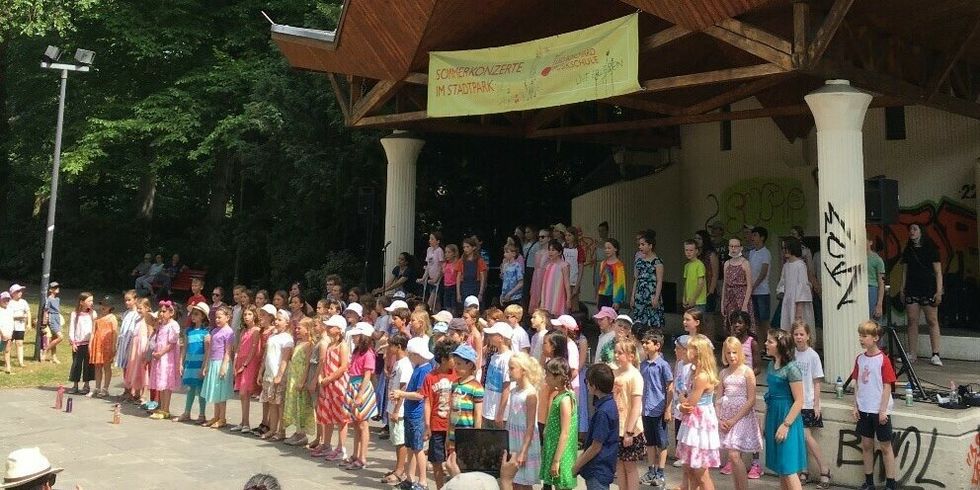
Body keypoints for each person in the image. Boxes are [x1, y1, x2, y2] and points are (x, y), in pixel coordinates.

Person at [851, 320, 898, 490]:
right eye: (860, 336)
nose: (861, 339)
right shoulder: (860, 359)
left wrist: (883, 410)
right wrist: (855, 405)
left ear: (875, 338)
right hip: (864, 408)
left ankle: (891, 483)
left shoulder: (883, 360)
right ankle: (869, 481)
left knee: (885, 446)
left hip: (879, 410)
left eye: (865, 336)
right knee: (866, 445)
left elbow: (887, 385)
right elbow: (856, 383)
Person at [716, 337, 763, 490]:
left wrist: (735, 419)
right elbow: (718, 398)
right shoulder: (723, 373)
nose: (732, 356)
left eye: (735, 352)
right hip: (726, 415)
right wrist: (719, 418)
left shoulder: (747, 371)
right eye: (728, 353)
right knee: (731, 455)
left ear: (740, 352)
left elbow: (751, 400)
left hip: (742, 416)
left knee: (735, 454)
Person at [763, 329, 806, 490]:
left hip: (787, 417)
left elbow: (799, 400)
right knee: (781, 468)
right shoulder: (770, 365)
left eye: (770, 341)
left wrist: (786, 424)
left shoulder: (792, 368)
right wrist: (765, 421)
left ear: (780, 345)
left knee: (788, 468)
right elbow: (770, 396)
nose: (766, 344)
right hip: (773, 415)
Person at [676, 334, 721, 490]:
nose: (686, 351)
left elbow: (690, 404)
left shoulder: (701, 376)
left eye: (690, 349)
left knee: (701, 473)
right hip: (692, 423)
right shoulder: (693, 371)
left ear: (698, 352)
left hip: (700, 425)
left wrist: (680, 401)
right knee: (690, 469)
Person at [392, 337, 436, 490]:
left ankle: (423, 481)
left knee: (418, 449)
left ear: (417, 354)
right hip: (411, 413)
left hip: (417, 414)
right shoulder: (419, 367)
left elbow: (420, 395)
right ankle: (410, 478)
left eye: (410, 354)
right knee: (411, 447)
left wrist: (401, 394)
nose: (409, 357)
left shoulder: (424, 369)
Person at [792, 321, 830, 488]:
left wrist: (816, 404)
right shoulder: (791, 354)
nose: (799, 337)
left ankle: (824, 469)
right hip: (794, 402)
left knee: (806, 436)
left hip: (807, 402)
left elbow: (816, 382)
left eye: (802, 334)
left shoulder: (813, 355)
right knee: (799, 439)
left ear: (808, 336)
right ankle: (804, 470)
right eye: (796, 334)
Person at [900, 223, 944, 365]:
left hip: (928, 287)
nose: (911, 232)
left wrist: (939, 291)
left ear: (921, 232)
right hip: (912, 287)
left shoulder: (931, 248)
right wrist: (902, 288)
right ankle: (912, 354)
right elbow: (905, 271)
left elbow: (938, 272)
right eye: (910, 229)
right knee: (912, 320)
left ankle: (935, 354)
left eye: (914, 229)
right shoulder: (908, 249)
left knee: (932, 320)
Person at [420, 338, 460, 489]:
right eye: (452, 357)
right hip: (437, 426)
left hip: (455, 427)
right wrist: (427, 425)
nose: (455, 361)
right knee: (437, 461)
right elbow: (427, 402)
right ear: (443, 359)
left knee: (454, 461)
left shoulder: (458, 375)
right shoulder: (430, 377)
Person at [574, 363, 619, 490]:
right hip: (603, 467)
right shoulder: (609, 405)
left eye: (587, 382)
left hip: (598, 470)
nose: (587, 386)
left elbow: (595, 446)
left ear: (594, 386)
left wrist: (577, 465)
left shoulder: (603, 412)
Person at [638, 331, 673, 489]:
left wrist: (668, 408)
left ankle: (661, 472)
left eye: (648, 343)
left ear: (657, 346)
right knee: (650, 442)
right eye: (643, 342)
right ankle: (651, 470)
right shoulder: (643, 364)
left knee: (662, 443)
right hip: (646, 409)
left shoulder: (663, 365)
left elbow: (669, 387)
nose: (644, 345)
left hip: (658, 409)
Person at [343, 322, 377, 470]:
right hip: (353, 386)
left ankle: (362, 457)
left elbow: (367, 375)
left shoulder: (368, 353)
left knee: (363, 424)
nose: (354, 338)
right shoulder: (357, 351)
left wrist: (360, 395)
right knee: (356, 423)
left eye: (356, 335)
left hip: (361, 388)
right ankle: (355, 454)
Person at [539, 357, 577, 490]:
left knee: (561, 486)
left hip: (561, 454)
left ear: (558, 377)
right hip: (553, 449)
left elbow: (565, 432)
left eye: (548, 374)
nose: (545, 377)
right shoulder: (558, 395)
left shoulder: (565, 400)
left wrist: (556, 461)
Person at [612, 339, 645, 490]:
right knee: (619, 464)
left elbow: (636, 406)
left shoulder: (635, 376)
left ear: (631, 356)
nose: (616, 355)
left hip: (630, 428)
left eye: (620, 353)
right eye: (616, 352)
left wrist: (629, 431)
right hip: (616, 426)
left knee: (629, 466)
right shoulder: (615, 373)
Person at [318, 315, 351, 462]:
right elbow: (324, 363)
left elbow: (344, 366)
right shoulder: (330, 345)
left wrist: (329, 378)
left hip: (338, 386)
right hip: (328, 385)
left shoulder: (343, 345)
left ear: (339, 330)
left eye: (331, 326)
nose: (328, 328)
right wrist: (321, 377)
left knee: (341, 418)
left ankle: (341, 447)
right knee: (328, 415)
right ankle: (326, 444)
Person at [257, 310, 294, 440]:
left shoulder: (287, 338)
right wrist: (261, 371)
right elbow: (266, 355)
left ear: (287, 322)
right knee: (272, 402)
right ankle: (272, 429)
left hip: (279, 375)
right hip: (269, 374)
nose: (277, 322)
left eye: (280, 320)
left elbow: (285, 359)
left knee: (280, 403)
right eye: (276, 319)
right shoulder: (272, 336)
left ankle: (281, 431)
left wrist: (279, 375)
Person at [282, 317, 315, 445]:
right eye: (296, 328)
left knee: (301, 405)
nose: (296, 330)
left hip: (300, 377)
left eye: (299, 328)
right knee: (295, 405)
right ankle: (298, 431)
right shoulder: (299, 343)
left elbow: (307, 364)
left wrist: (302, 380)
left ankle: (302, 434)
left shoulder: (309, 345)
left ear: (307, 330)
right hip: (293, 377)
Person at [202, 305, 236, 429]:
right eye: (216, 317)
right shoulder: (214, 331)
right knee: (216, 392)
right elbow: (210, 349)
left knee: (221, 392)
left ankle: (222, 418)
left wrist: (224, 366)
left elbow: (228, 351)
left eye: (219, 317)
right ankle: (216, 416)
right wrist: (206, 365)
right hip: (213, 362)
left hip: (222, 363)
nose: (217, 320)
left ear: (227, 317)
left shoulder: (229, 332)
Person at [385, 332, 412, 483]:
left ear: (399, 346)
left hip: (399, 409)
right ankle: (398, 467)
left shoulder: (405, 365)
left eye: (391, 346)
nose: (389, 348)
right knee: (396, 440)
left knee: (400, 441)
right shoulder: (397, 362)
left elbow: (403, 389)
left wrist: (396, 410)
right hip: (392, 406)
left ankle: (400, 471)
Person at [175, 302, 209, 423]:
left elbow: (207, 351)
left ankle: (202, 414)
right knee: (190, 388)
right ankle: (187, 412)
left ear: (203, 316)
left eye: (196, 314)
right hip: (190, 363)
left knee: (200, 389)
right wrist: (180, 362)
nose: (193, 316)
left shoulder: (206, 332)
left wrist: (204, 366)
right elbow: (184, 348)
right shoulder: (189, 331)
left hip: (199, 364)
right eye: (192, 314)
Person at [448, 344, 484, 453]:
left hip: (467, 435)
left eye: (459, 364)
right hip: (453, 434)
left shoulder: (476, 387)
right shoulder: (454, 384)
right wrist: (447, 436)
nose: (456, 367)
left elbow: (478, 414)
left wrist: (476, 436)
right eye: (455, 364)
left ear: (469, 365)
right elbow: (451, 411)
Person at [148, 300, 181, 420]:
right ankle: (162, 407)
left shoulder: (173, 325)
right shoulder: (162, 325)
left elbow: (172, 344)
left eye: (163, 311)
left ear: (171, 312)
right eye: (160, 311)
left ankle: (166, 409)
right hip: (159, 357)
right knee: (161, 382)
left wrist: (161, 353)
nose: (161, 314)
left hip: (167, 358)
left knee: (166, 383)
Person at [232, 306, 262, 433]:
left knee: (245, 392)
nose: (246, 317)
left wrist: (245, 364)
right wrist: (235, 363)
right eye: (245, 314)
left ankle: (247, 423)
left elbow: (254, 349)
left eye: (249, 314)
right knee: (241, 394)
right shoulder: (244, 331)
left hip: (249, 363)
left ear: (254, 315)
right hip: (240, 362)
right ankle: (243, 421)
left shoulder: (256, 330)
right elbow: (239, 348)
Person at [631, 230, 665, 335]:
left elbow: (659, 281)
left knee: (654, 323)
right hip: (640, 295)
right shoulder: (639, 261)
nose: (640, 247)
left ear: (650, 246)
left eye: (643, 244)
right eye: (639, 245)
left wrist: (656, 297)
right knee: (640, 323)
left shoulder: (657, 262)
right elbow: (636, 279)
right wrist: (633, 296)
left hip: (652, 295)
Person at [776, 238, 814, 331]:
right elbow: (783, 282)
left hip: (798, 304)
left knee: (799, 328)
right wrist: (780, 292)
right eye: (783, 248)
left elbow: (803, 286)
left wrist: (799, 309)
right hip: (788, 302)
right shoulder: (786, 265)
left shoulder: (800, 265)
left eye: (786, 248)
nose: (784, 251)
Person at [123, 298, 153, 405]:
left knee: (143, 370)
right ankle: (136, 392)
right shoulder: (137, 319)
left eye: (141, 308)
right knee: (135, 369)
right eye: (138, 308)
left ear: (147, 308)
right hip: (135, 347)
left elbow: (150, 335)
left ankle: (144, 394)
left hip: (143, 346)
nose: (139, 311)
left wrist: (148, 350)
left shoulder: (149, 319)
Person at [88, 296, 118, 398]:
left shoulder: (112, 318)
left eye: (106, 305)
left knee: (106, 366)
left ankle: (105, 388)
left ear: (110, 307)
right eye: (102, 305)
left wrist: (114, 346)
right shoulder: (97, 317)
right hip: (97, 344)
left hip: (107, 345)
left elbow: (114, 333)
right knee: (97, 366)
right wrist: (90, 343)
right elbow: (93, 332)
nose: (104, 307)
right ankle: (97, 387)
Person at [67, 292, 96, 395]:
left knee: (88, 364)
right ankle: (75, 385)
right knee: (76, 364)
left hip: (89, 343)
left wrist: (93, 342)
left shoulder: (93, 313)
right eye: (89, 301)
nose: (91, 303)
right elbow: (72, 328)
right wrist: (72, 342)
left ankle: (86, 385)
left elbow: (94, 328)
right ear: (82, 302)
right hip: (78, 343)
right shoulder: (75, 314)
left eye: (92, 300)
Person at [721, 237, 754, 324]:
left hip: (741, 296)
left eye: (736, 246)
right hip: (730, 297)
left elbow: (749, 285)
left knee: (742, 322)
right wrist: (722, 303)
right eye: (731, 246)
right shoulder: (726, 264)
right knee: (731, 322)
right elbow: (725, 284)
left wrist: (745, 304)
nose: (733, 249)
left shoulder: (745, 263)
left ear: (741, 248)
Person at [748, 226, 772, 340]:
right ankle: (761, 346)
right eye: (752, 235)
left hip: (762, 291)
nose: (752, 238)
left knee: (764, 320)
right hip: (752, 292)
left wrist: (754, 285)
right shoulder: (751, 253)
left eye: (755, 235)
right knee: (756, 321)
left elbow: (763, 272)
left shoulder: (765, 253)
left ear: (762, 237)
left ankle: (770, 344)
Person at [115, 290, 140, 398]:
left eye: (129, 300)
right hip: (123, 343)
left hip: (132, 343)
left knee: (131, 367)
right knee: (125, 367)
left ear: (135, 300)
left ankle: (132, 390)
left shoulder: (137, 314)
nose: (127, 302)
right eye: (125, 300)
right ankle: (126, 389)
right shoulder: (125, 313)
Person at [540, 239, 572, 316]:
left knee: (558, 316)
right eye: (549, 250)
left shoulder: (564, 265)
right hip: (548, 294)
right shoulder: (548, 265)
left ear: (560, 252)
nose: (550, 252)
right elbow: (545, 284)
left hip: (558, 294)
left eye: (553, 250)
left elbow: (567, 283)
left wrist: (568, 299)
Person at [694, 230, 720, 314]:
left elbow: (715, 274)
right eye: (696, 238)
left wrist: (711, 291)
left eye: (699, 238)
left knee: (708, 317)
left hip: (708, 289)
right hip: (696, 289)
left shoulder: (711, 254)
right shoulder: (695, 254)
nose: (697, 240)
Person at [596, 239, 626, 310]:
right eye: (605, 248)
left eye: (609, 248)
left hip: (613, 296)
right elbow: (600, 282)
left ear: (615, 249)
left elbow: (620, 284)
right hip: (602, 295)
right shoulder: (603, 263)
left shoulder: (619, 265)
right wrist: (597, 296)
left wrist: (617, 301)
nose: (606, 250)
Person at [6, 285, 30, 368]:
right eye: (18, 291)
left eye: (21, 291)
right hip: (11, 327)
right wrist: (18, 317)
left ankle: (21, 362)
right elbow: (8, 315)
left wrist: (28, 324)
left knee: (19, 343)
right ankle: (7, 362)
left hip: (20, 327)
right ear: (12, 293)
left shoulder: (23, 302)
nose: (20, 293)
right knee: (8, 345)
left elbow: (28, 312)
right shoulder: (9, 303)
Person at [420, 232, 446, 310]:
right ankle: (436, 317)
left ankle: (426, 314)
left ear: (438, 241)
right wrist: (423, 278)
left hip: (438, 279)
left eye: (432, 239)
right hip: (431, 278)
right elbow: (428, 265)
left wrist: (436, 279)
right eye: (430, 238)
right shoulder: (429, 249)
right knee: (436, 302)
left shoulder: (439, 251)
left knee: (430, 302)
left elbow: (441, 267)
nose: (430, 240)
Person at [681, 240, 707, 313]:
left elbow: (700, 283)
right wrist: (684, 297)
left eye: (691, 250)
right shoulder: (687, 266)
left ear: (696, 251)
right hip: (689, 301)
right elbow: (686, 283)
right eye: (686, 250)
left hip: (698, 302)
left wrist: (693, 298)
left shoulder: (699, 265)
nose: (688, 252)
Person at [41, 282, 63, 364]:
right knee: (60, 337)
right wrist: (44, 322)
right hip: (52, 318)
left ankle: (54, 357)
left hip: (57, 318)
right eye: (55, 287)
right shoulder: (49, 299)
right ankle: (45, 351)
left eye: (57, 287)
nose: (57, 288)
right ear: (50, 289)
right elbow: (46, 311)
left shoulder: (57, 299)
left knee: (54, 338)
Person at [867, 233, 886, 321]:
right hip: (857, 289)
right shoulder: (854, 258)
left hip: (871, 289)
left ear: (870, 242)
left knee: (873, 321)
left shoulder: (877, 260)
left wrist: (879, 304)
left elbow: (881, 283)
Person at [500, 244, 525, 308]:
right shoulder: (505, 265)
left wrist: (510, 293)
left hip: (515, 297)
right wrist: (502, 294)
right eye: (504, 252)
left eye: (507, 252)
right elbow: (504, 282)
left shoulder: (517, 266)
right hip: (505, 296)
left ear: (513, 254)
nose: (505, 254)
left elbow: (521, 283)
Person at [441, 244, 461, 313]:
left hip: (453, 286)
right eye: (446, 252)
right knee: (447, 305)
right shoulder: (445, 264)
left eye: (449, 252)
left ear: (454, 253)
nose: (446, 254)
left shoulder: (457, 263)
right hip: (446, 286)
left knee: (454, 306)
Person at [0, 293, 11, 375]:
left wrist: (10, 333)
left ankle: (8, 367)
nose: (6, 301)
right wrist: (2, 333)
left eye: (8, 299)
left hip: (8, 333)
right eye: (4, 299)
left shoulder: (9, 310)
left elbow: (11, 322)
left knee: (7, 351)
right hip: (1, 333)